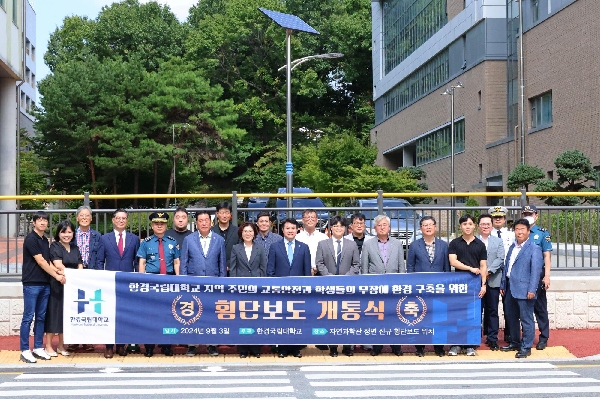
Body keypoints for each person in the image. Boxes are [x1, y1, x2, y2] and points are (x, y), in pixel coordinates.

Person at [20, 211, 65, 363]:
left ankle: (38, 347)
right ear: (34, 222)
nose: (42, 222)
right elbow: (40, 262)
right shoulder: (30, 239)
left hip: (45, 284)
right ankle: (25, 349)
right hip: (31, 283)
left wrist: (60, 271)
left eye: (44, 220)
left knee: (41, 317)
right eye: (39, 220)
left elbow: (48, 261)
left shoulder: (45, 240)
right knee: (28, 317)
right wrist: (56, 276)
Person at [180, 210, 227, 357]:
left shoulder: (219, 240)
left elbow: (222, 263)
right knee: (192, 314)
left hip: (213, 284)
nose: (204, 223)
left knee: (211, 314)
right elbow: (184, 263)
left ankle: (211, 344)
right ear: (196, 223)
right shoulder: (189, 239)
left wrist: (222, 283)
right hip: (193, 283)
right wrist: (184, 282)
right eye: (201, 220)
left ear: (211, 222)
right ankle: (192, 345)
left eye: (207, 220)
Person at [315, 215, 360, 357]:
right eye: (335, 226)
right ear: (330, 229)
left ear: (346, 228)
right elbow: (319, 263)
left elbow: (356, 264)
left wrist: (346, 278)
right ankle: (333, 346)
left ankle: (347, 346)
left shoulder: (351, 244)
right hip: (329, 287)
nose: (338, 229)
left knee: (347, 317)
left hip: (347, 287)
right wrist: (329, 277)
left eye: (341, 226)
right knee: (331, 317)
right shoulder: (323, 244)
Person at [98, 209, 140, 358]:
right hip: (110, 283)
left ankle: (121, 345)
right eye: (118, 218)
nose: (121, 221)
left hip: (127, 282)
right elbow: (99, 261)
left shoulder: (134, 239)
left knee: (124, 315)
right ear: (113, 220)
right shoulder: (104, 238)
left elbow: (136, 261)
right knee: (109, 314)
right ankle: (109, 346)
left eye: (124, 218)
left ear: (127, 221)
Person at [137, 212, 180, 357]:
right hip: (151, 280)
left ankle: (167, 346)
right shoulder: (146, 243)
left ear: (166, 225)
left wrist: (178, 280)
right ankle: (149, 346)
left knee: (168, 314)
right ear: (152, 225)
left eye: (162, 223)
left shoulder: (172, 242)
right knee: (150, 315)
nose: (159, 226)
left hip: (168, 280)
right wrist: (143, 281)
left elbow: (176, 262)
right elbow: (142, 262)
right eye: (156, 223)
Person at [267, 218, 311, 358]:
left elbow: (306, 272)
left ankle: (296, 348)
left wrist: (305, 290)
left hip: (298, 292)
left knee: (297, 320)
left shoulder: (303, 247)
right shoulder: (275, 247)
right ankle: (283, 348)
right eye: (287, 228)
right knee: (282, 320)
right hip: (280, 292)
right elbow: (270, 271)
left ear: (298, 229)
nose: (290, 231)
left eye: (293, 228)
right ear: (282, 230)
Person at [361, 214, 405, 356]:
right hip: (375, 286)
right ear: (374, 228)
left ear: (389, 227)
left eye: (384, 225)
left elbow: (401, 266)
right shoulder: (368, 244)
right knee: (377, 317)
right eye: (379, 225)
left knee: (394, 316)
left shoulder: (397, 244)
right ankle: (377, 346)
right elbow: (364, 267)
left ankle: (396, 346)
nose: (382, 227)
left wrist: (401, 285)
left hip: (394, 286)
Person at [500, 218, 543, 358]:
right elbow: (507, 267)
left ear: (528, 231)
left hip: (525, 290)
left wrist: (532, 289)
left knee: (526, 319)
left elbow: (536, 271)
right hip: (510, 288)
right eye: (517, 229)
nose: (519, 232)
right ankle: (515, 342)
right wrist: (503, 284)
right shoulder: (513, 247)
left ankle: (526, 347)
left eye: (522, 229)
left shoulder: (534, 249)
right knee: (511, 318)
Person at [406, 215, 449, 357]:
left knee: (439, 318)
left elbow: (447, 268)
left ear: (435, 227)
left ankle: (439, 347)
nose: (428, 227)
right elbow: (410, 266)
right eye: (425, 225)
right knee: (421, 318)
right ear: (420, 228)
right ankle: (420, 347)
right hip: (420, 288)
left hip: (438, 288)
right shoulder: (414, 245)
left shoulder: (443, 245)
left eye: (431, 225)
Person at [448, 214, 487, 356]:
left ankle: (470, 345)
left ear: (474, 225)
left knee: (473, 314)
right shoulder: (454, 243)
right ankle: (456, 344)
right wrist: (470, 268)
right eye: (464, 224)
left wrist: (483, 284)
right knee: (457, 314)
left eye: (470, 224)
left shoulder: (480, 245)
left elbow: (483, 265)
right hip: (458, 284)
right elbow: (453, 261)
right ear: (460, 226)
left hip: (475, 285)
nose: (467, 226)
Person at [45, 220, 83, 358]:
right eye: (63, 232)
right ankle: (48, 345)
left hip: (71, 286)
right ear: (58, 233)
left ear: (73, 233)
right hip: (58, 284)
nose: (67, 235)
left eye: (69, 232)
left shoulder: (75, 247)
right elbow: (58, 265)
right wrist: (71, 274)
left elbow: (80, 263)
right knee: (54, 315)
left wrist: (78, 274)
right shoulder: (55, 246)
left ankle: (61, 346)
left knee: (65, 316)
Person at [69, 205, 104, 352]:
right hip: (74, 275)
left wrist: (98, 274)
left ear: (91, 218)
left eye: (87, 215)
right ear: (77, 218)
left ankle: (88, 340)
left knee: (89, 308)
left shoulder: (97, 236)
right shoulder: (70, 235)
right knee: (75, 308)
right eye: (81, 215)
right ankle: (74, 340)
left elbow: (100, 258)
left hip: (91, 275)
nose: (84, 218)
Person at [230, 222, 267, 358]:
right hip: (241, 288)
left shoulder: (260, 248)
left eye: (250, 231)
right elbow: (233, 269)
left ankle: (256, 348)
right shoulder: (236, 248)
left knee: (256, 319)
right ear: (241, 233)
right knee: (242, 319)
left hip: (257, 288)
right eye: (245, 231)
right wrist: (234, 286)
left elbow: (263, 268)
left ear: (254, 233)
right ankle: (243, 349)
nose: (248, 233)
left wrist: (262, 286)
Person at [521, 204, 552, 350]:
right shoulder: (519, 232)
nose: (527, 216)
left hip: (538, 275)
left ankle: (543, 337)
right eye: (525, 214)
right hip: (522, 275)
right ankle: (526, 336)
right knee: (524, 308)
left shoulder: (541, 233)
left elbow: (547, 256)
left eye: (530, 214)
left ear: (536, 216)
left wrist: (547, 276)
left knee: (540, 308)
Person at [477, 214, 505, 351]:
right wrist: (481, 273)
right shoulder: (473, 241)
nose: (486, 226)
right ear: (478, 226)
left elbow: (500, 258)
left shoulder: (498, 241)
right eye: (483, 224)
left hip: (493, 280)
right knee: (477, 310)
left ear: (492, 225)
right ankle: (475, 337)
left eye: (488, 224)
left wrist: (488, 272)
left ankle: (492, 338)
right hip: (476, 281)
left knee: (493, 310)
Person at [489, 205, 515, 343]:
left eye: (500, 217)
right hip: (492, 273)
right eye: (495, 218)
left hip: (507, 272)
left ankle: (509, 334)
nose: (497, 220)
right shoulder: (488, 234)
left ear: (505, 219)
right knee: (491, 306)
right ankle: (490, 335)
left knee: (509, 306)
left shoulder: (511, 235)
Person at [296, 209, 328, 275]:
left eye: (312, 217)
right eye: (307, 217)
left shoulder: (324, 238)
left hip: (320, 273)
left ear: (317, 220)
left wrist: (316, 269)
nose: (310, 219)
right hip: (300, 273)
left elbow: (327, 257)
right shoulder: (297, 238)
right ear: (302, 220)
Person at [211, 201, 239, 273]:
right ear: (217, 214)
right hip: (215, 269)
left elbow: (240, 250)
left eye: (227, 212)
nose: (224, 216)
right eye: (222, 213)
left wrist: (229, 265)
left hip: (233, 269)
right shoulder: (211, 232)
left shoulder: (237, 231)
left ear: (230, 214)